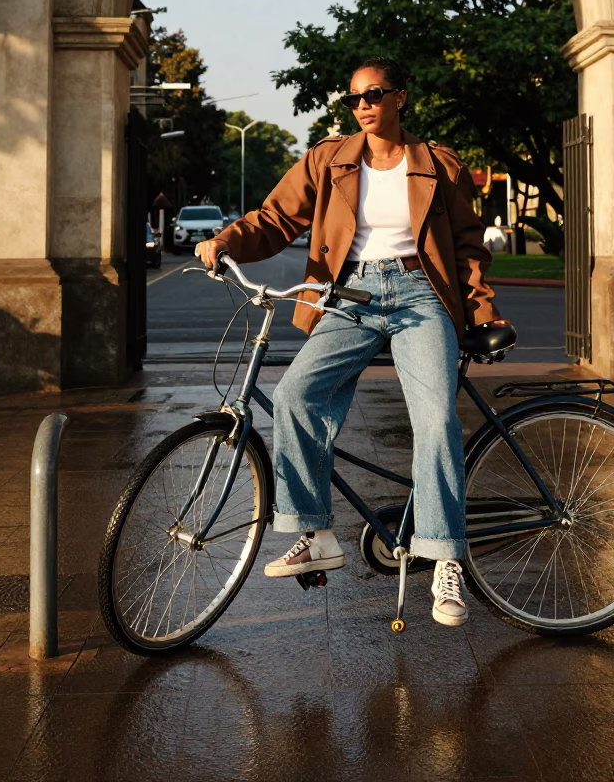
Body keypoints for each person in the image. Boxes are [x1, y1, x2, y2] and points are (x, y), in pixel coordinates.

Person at [195, 56, 502, 627]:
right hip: (347, 295)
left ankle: (444, 558)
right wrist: (226, 241)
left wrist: (482, 311)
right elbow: (274, 218)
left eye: (375, 94)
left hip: (421, 293)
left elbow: (467, 245)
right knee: (293, 396)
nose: (363, 105)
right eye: (355, 98)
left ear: (400, 98)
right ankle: (315, 534)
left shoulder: (438, 164)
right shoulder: (327, 159)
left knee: (435, 419)